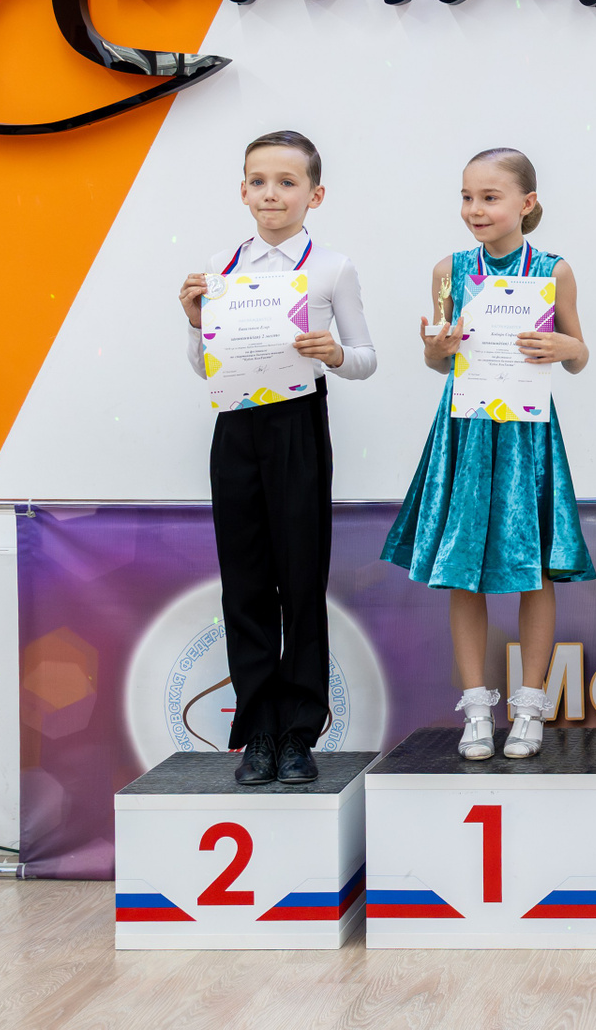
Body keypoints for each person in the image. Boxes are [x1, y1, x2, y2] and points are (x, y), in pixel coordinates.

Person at [383, 148, 594, 761]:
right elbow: (437, 360)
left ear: (526, 203)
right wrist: (437, 347)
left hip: (526, 432)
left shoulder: (553, 270)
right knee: (462, 565)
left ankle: (529, 707)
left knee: (536, 566)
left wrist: (563, 347)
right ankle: (476, 708)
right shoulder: (450, 270)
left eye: (490, 197)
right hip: (467, 430)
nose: (475, 209)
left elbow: (580, 354)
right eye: (467, 197)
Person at [179, 130, 376, 785]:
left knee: (300, 580)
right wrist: (194, 320)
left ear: (314, 195)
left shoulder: (332, 268)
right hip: (235, 426)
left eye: (287, 182)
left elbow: (366, 358)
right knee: (244, 583)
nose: (272, 193)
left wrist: (335, 354)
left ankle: (298, 733)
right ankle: (258, 731)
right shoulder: (221, 266)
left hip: (298, 425)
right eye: (259, 181)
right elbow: (205, 365)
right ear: (242, 191)